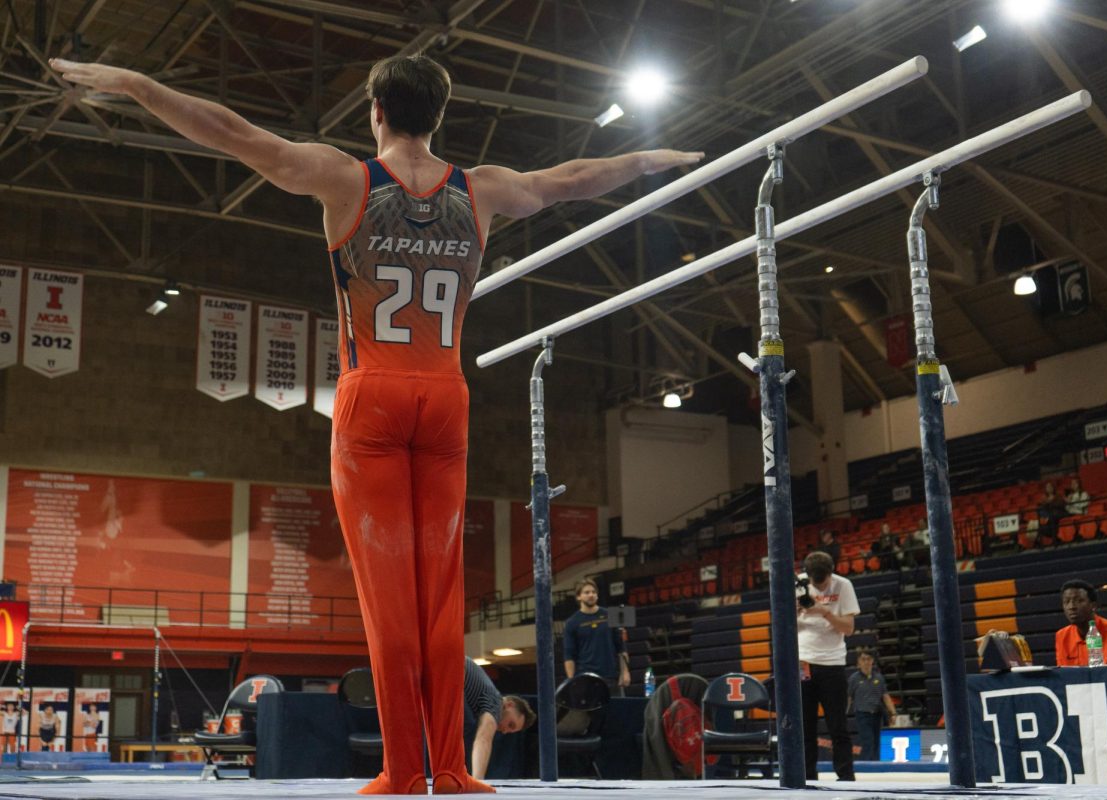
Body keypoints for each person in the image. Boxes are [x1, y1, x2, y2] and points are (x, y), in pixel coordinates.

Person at [49, 54, 700, 796]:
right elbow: (575, 179)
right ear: (439, 115)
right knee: (441, 592)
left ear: (375, 111)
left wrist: (135, 84)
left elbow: (230, 132)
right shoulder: (482, 190)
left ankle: (403, 770)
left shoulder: (344, 180)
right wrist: (649, 156)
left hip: (372, 398)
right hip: (445, 396)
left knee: (388, 596)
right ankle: (451, 769)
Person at [796, 551, 858, 781]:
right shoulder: (798, 583)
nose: (820, 588)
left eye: (824, 583)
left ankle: (846, 776)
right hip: (804, 661)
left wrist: (825, 612)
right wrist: (796, 608)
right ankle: (806, 776)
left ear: (831, 573)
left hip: (832, 662)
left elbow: (849, 628)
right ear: (808, 576)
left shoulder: (844, 586)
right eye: (816, 584)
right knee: (805, 726)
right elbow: (784, 626)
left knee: (838, 725)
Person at [560, 578, 629, 738]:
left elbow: (621, 647)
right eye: (586, 592)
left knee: (617, 721)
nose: (591, 595)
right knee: (590, 724)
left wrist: (625, 672)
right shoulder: (572, 623)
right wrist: (572, 681)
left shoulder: (612, 615)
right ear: (579, 597)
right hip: (586, 681)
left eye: (593, 592)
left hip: (611, 677)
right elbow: (569, 655)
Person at [463, 658, 534, 779]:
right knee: (466, 725)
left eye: (509, 731)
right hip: (448, 664)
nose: (505, 731)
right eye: (510, 724)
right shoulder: (496, 702)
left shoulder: (483, 695)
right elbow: (483, 739)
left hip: (443, 662)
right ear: (509, 704)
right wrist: (478, 782)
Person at [1054, 579, 1107, 666]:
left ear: (1093, 606)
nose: (1071, 606)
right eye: (1066, 602)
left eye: (1079, 601)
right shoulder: (1061, 636)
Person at [846, 650, 895, 762]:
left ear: (872, 661)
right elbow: (848, 697)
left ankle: (876, 765)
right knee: (868, 741)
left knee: (877, 742)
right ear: (858, 662)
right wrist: (844, 714)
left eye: (868, 659)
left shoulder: (879, 678)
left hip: (877, 714)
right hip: (862, 714)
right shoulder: (854, 679)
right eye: (863, 659)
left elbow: (885, 696)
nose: (866, 662)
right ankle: (866, 766)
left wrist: (893, 712)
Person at [1036, 481, 1066, 546]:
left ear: (1053, 488)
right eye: (1047, 487)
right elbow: (1042, 505)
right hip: (1048, 514)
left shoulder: (1058, 495)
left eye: (1050, 487)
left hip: (1058, 513)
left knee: (1051, 518)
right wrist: (1047, 503)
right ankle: (1041, 540)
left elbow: (1061, 504)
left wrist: (1051, 502)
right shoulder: (1044, 498)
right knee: (1041, 520)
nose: (1049, 488)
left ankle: (1055, 539)